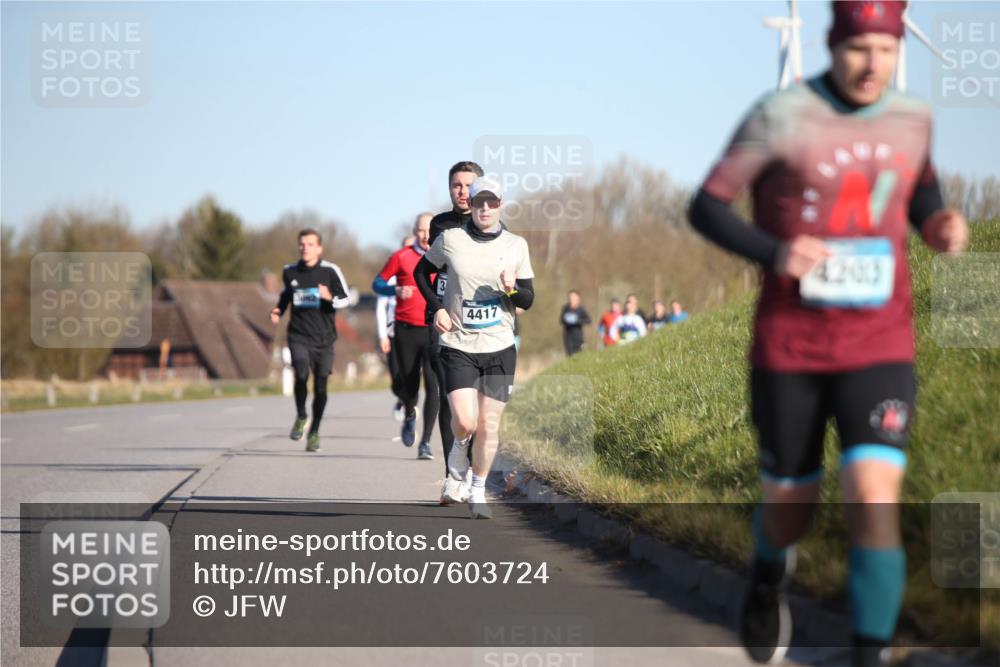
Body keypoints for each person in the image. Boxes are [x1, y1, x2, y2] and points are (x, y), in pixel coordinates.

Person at [688, 3, 968, 665]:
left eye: (886, 51)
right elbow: (706, 204)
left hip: (880, 341)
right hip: (792, 345)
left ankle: (868, 653)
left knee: (874, 496)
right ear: (831, 44)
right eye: (858, 49)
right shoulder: (780, 113)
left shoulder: (912, 117)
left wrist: (938, 226)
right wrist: (776, 252)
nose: (873, 65)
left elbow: (920, 192)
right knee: (791, 507)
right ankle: (766, 571)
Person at [415, 176, 535, 519]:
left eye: (492, 202)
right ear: (472, 204)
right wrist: (437, 308)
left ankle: (477, 489)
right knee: (465, 421)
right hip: (458, 343)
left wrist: (512, 290)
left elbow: (529, 298)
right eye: (479, 201)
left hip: (499, 345)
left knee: (490, 425)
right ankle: (459, 452)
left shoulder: (516, 245)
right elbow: (422, 273)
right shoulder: (451, 239)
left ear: (500, 205)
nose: (484, 208)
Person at [425, 161, 485, 503]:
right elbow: (431, 269)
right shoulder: (441, 224)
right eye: (456, 186)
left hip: (480, 322)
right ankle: (452, 476)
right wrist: (436, 307)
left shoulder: (491, 223)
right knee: (451, 396)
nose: (462, 192)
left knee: (476, 405)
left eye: (468, 185)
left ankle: (471, 472)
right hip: (444, 318)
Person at [270, 228, 351, 452]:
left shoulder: (330, 271)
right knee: (301, 374)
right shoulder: (290, 271)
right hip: (298, 335)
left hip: (324, 339)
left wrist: (329, 298)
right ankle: (301, 415)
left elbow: (347, 299)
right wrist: (278, 310)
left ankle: (314, 430)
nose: (305, 248)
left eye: (310, 244)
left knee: (321, 387)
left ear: (319, 248)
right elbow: (286, 295)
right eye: (302, 244)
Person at [373, 217, 439, 460]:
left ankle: (426, 442)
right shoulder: (401, 256)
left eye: (429, 230)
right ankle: (410, 413)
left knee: (434, 385)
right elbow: (377, 283)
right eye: (420, 230)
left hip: (434, 329)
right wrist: (394, 290)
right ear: (414, 232)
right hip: (406, 329)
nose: (425, 235)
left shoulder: (445, 256)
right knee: (408, 385)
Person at [376, 235, 416, 422]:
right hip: (394, 333)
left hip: (415, 331)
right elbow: (380, 308)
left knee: (412, 375)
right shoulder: (391, 279)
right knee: (396, 379)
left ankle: (410, 405)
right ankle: (403, 399)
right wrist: (383, 336)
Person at [560, 290, 592, 355]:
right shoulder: (565, 308)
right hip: (568, 334)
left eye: (573, 297)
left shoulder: (581, 309)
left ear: (578, 298)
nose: (571, 299)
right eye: (570, 297)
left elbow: (588, 320)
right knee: (569, 353)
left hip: (578, 335)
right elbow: (561, 320)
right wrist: (566, 320)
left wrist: (578, 321)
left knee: (578, 353)